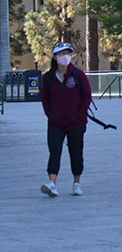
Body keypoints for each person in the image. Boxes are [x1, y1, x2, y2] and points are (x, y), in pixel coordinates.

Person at [40, 42, 92, 197]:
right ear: (55, 57)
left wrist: (80, 115)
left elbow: (87, 96)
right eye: (61, 54)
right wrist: (50, 115)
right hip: (56, 123)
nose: (65, 57)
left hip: (76, 122)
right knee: (54, 151)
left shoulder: (78, 74)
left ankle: (77, 183)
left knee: (76, 152)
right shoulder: (48, 77)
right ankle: (52, 183)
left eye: (67, 53)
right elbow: (45, 99)